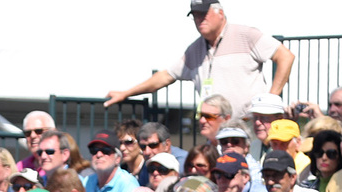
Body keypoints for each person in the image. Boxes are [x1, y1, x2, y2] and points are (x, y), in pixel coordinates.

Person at [104, 0, 295, 121]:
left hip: (251, 129)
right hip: (216, 132)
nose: (199, 19)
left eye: (204, 13)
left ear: (221, 13)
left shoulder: (245, 35)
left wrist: (270, 100)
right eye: (195, 15)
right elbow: (164, 76)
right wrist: (126, 93)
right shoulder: (195, 49)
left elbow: (285, 56)